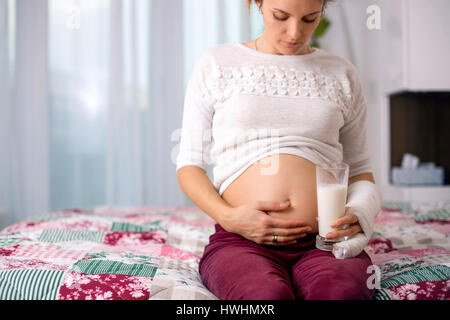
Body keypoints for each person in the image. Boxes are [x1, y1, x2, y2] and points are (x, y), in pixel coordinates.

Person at [176, 0, 382, 300]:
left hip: (325, 242)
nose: (295, 32)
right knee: (264, 297)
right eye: (281, 16)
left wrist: (360, 211)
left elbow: (361, 170)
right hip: (241, 240)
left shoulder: (341, 73)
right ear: (257, 3)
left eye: (310, 18)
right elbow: (189, 165)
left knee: (338, 295)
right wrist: (229, 217)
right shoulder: (217, 64)